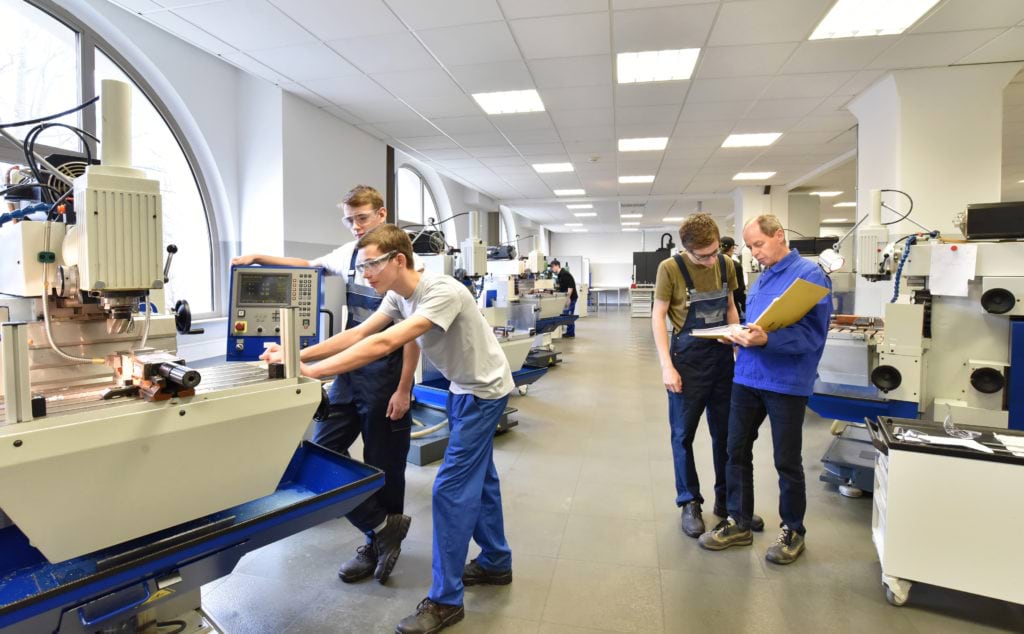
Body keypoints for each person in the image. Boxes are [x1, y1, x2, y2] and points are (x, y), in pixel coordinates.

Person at [265, 224, 515, 634]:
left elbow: (384, 345)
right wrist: (294, 354)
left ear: (398, 260)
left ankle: (445, 601)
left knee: (450, 491)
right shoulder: (399, 295)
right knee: (481, 481)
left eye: (371, 265)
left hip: (483, 394)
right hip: (464, 389)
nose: (364, 274)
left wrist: (310, 371)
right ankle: (495, 562)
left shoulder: (441, 291)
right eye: (361, 266)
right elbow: (360, 332)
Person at [232, 185, 418, 584]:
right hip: (352, 372)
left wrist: (405, 389)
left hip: (388, 371)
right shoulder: (348, 255)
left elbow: (408, 339)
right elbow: (308, 266)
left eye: (362, 218)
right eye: (349, 220)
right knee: (321, 449)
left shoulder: (403, 269)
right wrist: (260, 258)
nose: (355, 226)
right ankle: (382, 528)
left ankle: (374, 543)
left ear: (381, 214)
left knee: (384, 461)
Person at [698, 214, 832, 565]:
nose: (754, 253)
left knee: (786, 460)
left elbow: (811, 335)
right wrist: (738, 335)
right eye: (750, 247)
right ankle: (739, 521)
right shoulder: (760, 280)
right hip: (747, 377)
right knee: (735, 450)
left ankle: (793, 530)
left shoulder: (809, 276)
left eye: (759, 244)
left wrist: (767, 338)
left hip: (786, 382)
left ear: (779, 236)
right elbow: (756, 324)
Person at [651, 214, 764, 539]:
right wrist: (666, 366)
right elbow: (658, 317)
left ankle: (727, 503)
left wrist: (737, 349)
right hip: (686, 362)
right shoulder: (669, 269)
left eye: (715, 251)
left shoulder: (727, 264)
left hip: (721, 361)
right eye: (704, 255)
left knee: (726, 435)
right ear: (687, 249)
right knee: (683, 435)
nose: (711, 259)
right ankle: (689, 502)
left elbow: (730, 306)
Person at [720, 236, 746, 319]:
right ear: (732, 248)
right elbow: (739, 290)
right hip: (732, 309)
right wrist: (745, 306)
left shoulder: (712, 263)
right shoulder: (735, 265)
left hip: (715, 310)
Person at [550, 259, 578, 337]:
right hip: (566, 297)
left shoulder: (565, 274)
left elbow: (570, 287)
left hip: (570, 298)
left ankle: (571, 333)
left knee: (568, 315)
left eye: (552, 267)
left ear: (557, 266)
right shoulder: (560, 274)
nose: (552, 269)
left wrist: (568, 298)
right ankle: (569, 332)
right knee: (566, 314)